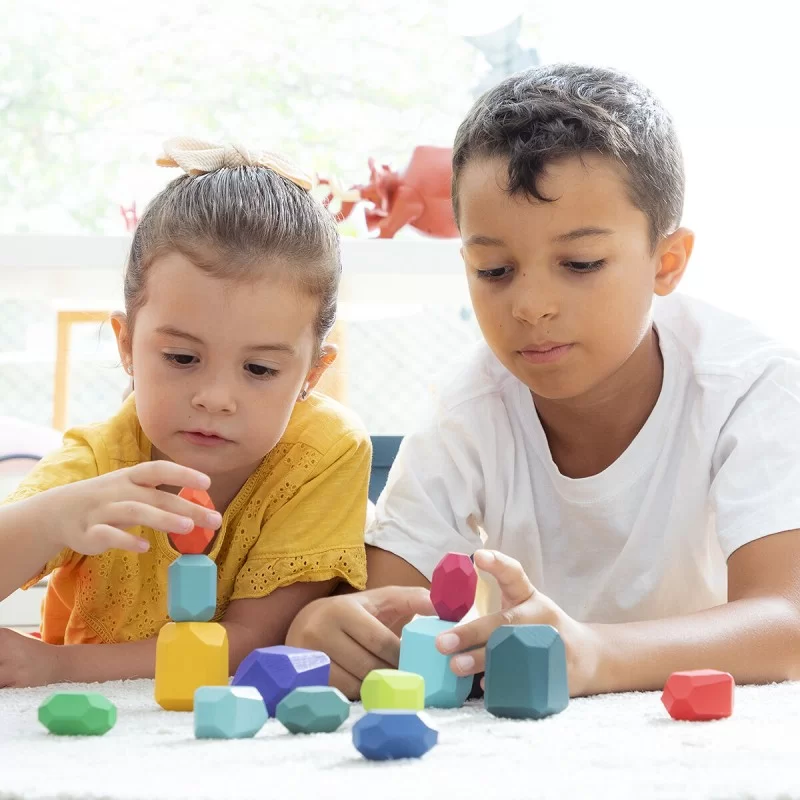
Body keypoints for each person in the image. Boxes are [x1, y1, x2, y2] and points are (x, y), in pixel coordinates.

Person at [286, 64, 800, 699]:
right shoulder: (467, 409)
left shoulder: (752, 387)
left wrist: (595, 653)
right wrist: (327, 627)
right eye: (495, 269)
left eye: (580, 263)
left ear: (666, 263)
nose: (530, 305)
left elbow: (787, 623)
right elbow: (386, 604)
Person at [0, 138, 371, 688]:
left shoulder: (325, 451)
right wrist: (56, 516)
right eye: (182, 358)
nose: (216, 397)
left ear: (311, 375)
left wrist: (56, 666)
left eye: (260, 370)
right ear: (126, 345)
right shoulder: (103, 457)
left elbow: (257, 642)